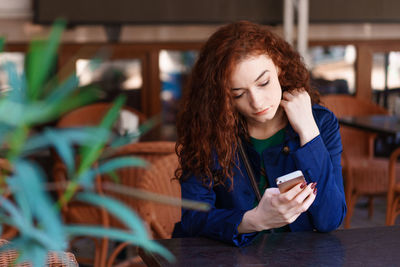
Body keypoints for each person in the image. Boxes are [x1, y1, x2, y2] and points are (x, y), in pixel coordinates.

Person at [173, 21, 346, 247]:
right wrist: (253, 221)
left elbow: (330, 220)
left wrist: (309, 133)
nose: (256, 102)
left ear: (280, 67)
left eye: (263, 83)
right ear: (221, 96)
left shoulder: (320, 122)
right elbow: (193, 219)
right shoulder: (208, 130)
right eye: (238, 94)